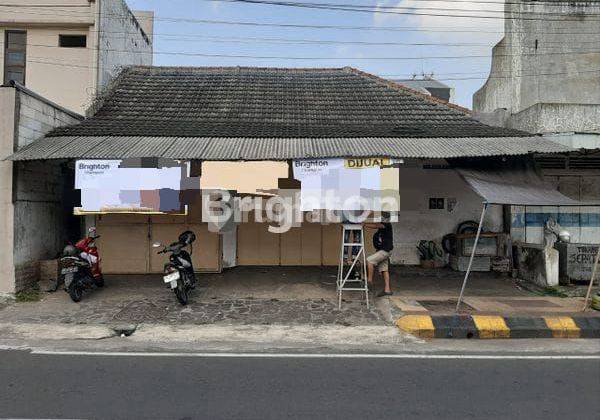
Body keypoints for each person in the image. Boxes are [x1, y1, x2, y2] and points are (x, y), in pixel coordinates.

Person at [364, 213, 394, 297]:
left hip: (385, 251)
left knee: (369, 260)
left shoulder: (387, 225)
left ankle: (369, 281)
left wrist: (364, 224)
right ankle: (387, 290)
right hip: (384, 250)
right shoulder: (383, 227)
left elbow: (376, 225)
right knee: (384, 269)